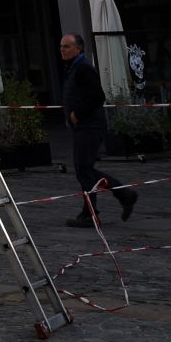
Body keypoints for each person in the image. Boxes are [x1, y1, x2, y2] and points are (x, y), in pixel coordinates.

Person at [58, 32, 139, 227]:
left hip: (89, 125)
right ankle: (122, 195)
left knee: (84, 169)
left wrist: (78, 113)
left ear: (79, 48)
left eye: (67, 46)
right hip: (83, 126)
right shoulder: (73, 68)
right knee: (84, 169)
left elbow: (97, 96)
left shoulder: (83, 68)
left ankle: (92, 213)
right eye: (61, 46)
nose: (62, 50)